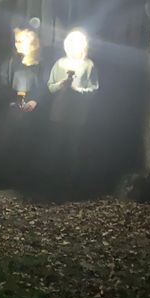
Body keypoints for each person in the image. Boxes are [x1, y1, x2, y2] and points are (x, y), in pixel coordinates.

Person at [46, 29, 99, 185]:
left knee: (73, 148)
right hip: (58, 113)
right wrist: (61, 85)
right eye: (71, 43)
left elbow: (94, 90)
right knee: (55, 146)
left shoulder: (88, 65)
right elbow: (50, 87)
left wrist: (77, 90)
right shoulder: (59, 64)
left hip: (77, 116)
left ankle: (71, 181)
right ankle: (51, 179)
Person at [0, 27, 48, 184]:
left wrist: (34, 101)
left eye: (21, 41)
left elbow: (44, 86)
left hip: (33, 112)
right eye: (16, 41)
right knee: (12, 142)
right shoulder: (10, 63)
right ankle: (10, 176)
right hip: (13, 109)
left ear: (32, 43)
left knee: (30, 142)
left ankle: (29, 177)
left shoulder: (40, 65)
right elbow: (3, 84)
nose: (17, 44)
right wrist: (12, 101)